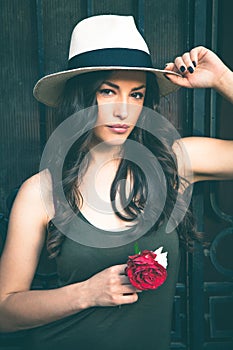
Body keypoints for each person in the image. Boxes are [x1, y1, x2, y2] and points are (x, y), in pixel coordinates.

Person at [0, 14, 232, 350]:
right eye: (108, 91)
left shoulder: (175, 163)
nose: (124, 110)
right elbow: (4, 312)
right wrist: (85, 293)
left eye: (136, 95)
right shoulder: (41, 192)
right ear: (81, 97)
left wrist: (224, 79)